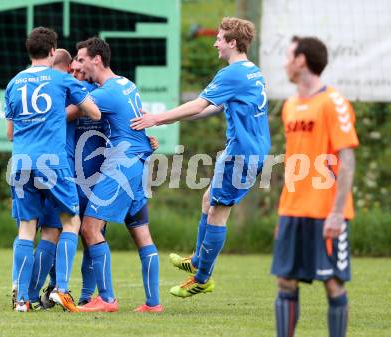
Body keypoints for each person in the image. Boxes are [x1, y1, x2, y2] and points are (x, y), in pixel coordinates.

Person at [131, 17, 271, 297]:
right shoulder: (251, 71)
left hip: (242, 154)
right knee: (208, 199)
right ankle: (197, 260)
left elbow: (199, 103)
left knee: (218, 211)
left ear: (233, 43)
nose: (215, 42)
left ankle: (202, 278)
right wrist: (176, 119)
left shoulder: (231, 74)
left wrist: (158, 118)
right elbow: (213, 107)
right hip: (247, 150)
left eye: (220, 38)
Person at [5, 27, 100, 312]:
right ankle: (62, 289)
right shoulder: (61, 80)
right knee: (70, 221)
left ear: (29, 51)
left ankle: (22, 299)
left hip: (21, 161)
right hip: (52, 163)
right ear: (51, 51)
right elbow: (94, 112)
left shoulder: (13, 83)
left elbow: (10, 134)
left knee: (26, 228)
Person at [271, 36, 358, 337]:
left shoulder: (334, 103)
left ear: (301, 60)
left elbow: (347, 160)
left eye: (288, 56)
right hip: (293, 209)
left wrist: (337, 213)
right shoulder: (290, 106)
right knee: (285, 281)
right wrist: (283, 212)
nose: (285, 62)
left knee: (333, 282)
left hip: (326, 212)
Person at [74, 36, 163, 313]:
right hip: (139, 163)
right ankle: (153, 303)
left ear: (96, 59)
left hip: (122, 164)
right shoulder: (127, 84)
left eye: (82, 59)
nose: (80, 65)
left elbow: (70, 113)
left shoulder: (104, 93)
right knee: (141, 234)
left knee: (89, 228)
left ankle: (107, 299)